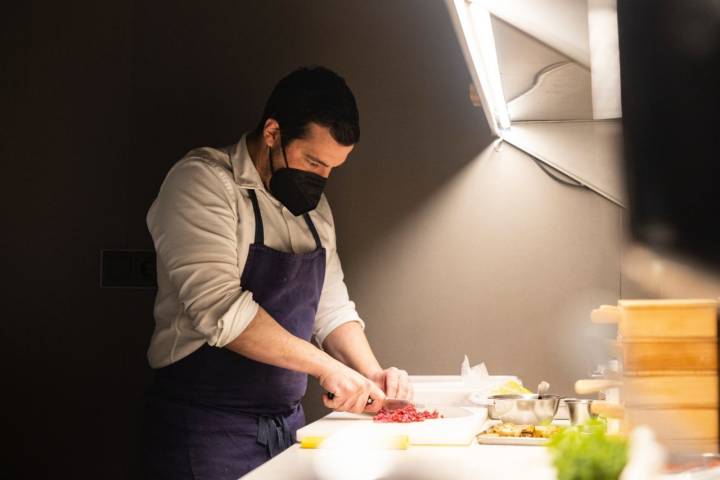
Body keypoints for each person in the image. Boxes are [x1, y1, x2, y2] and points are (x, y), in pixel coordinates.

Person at [142, 66, 412, 479]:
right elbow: (222, 312)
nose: (321, 180)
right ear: (272, 132)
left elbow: (331, 308)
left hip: (287, 430)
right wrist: (328, 368)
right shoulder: (201, 182)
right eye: (313, 161)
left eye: (332, 169)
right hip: (204, 431)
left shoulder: (315, 212)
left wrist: (370, 372)